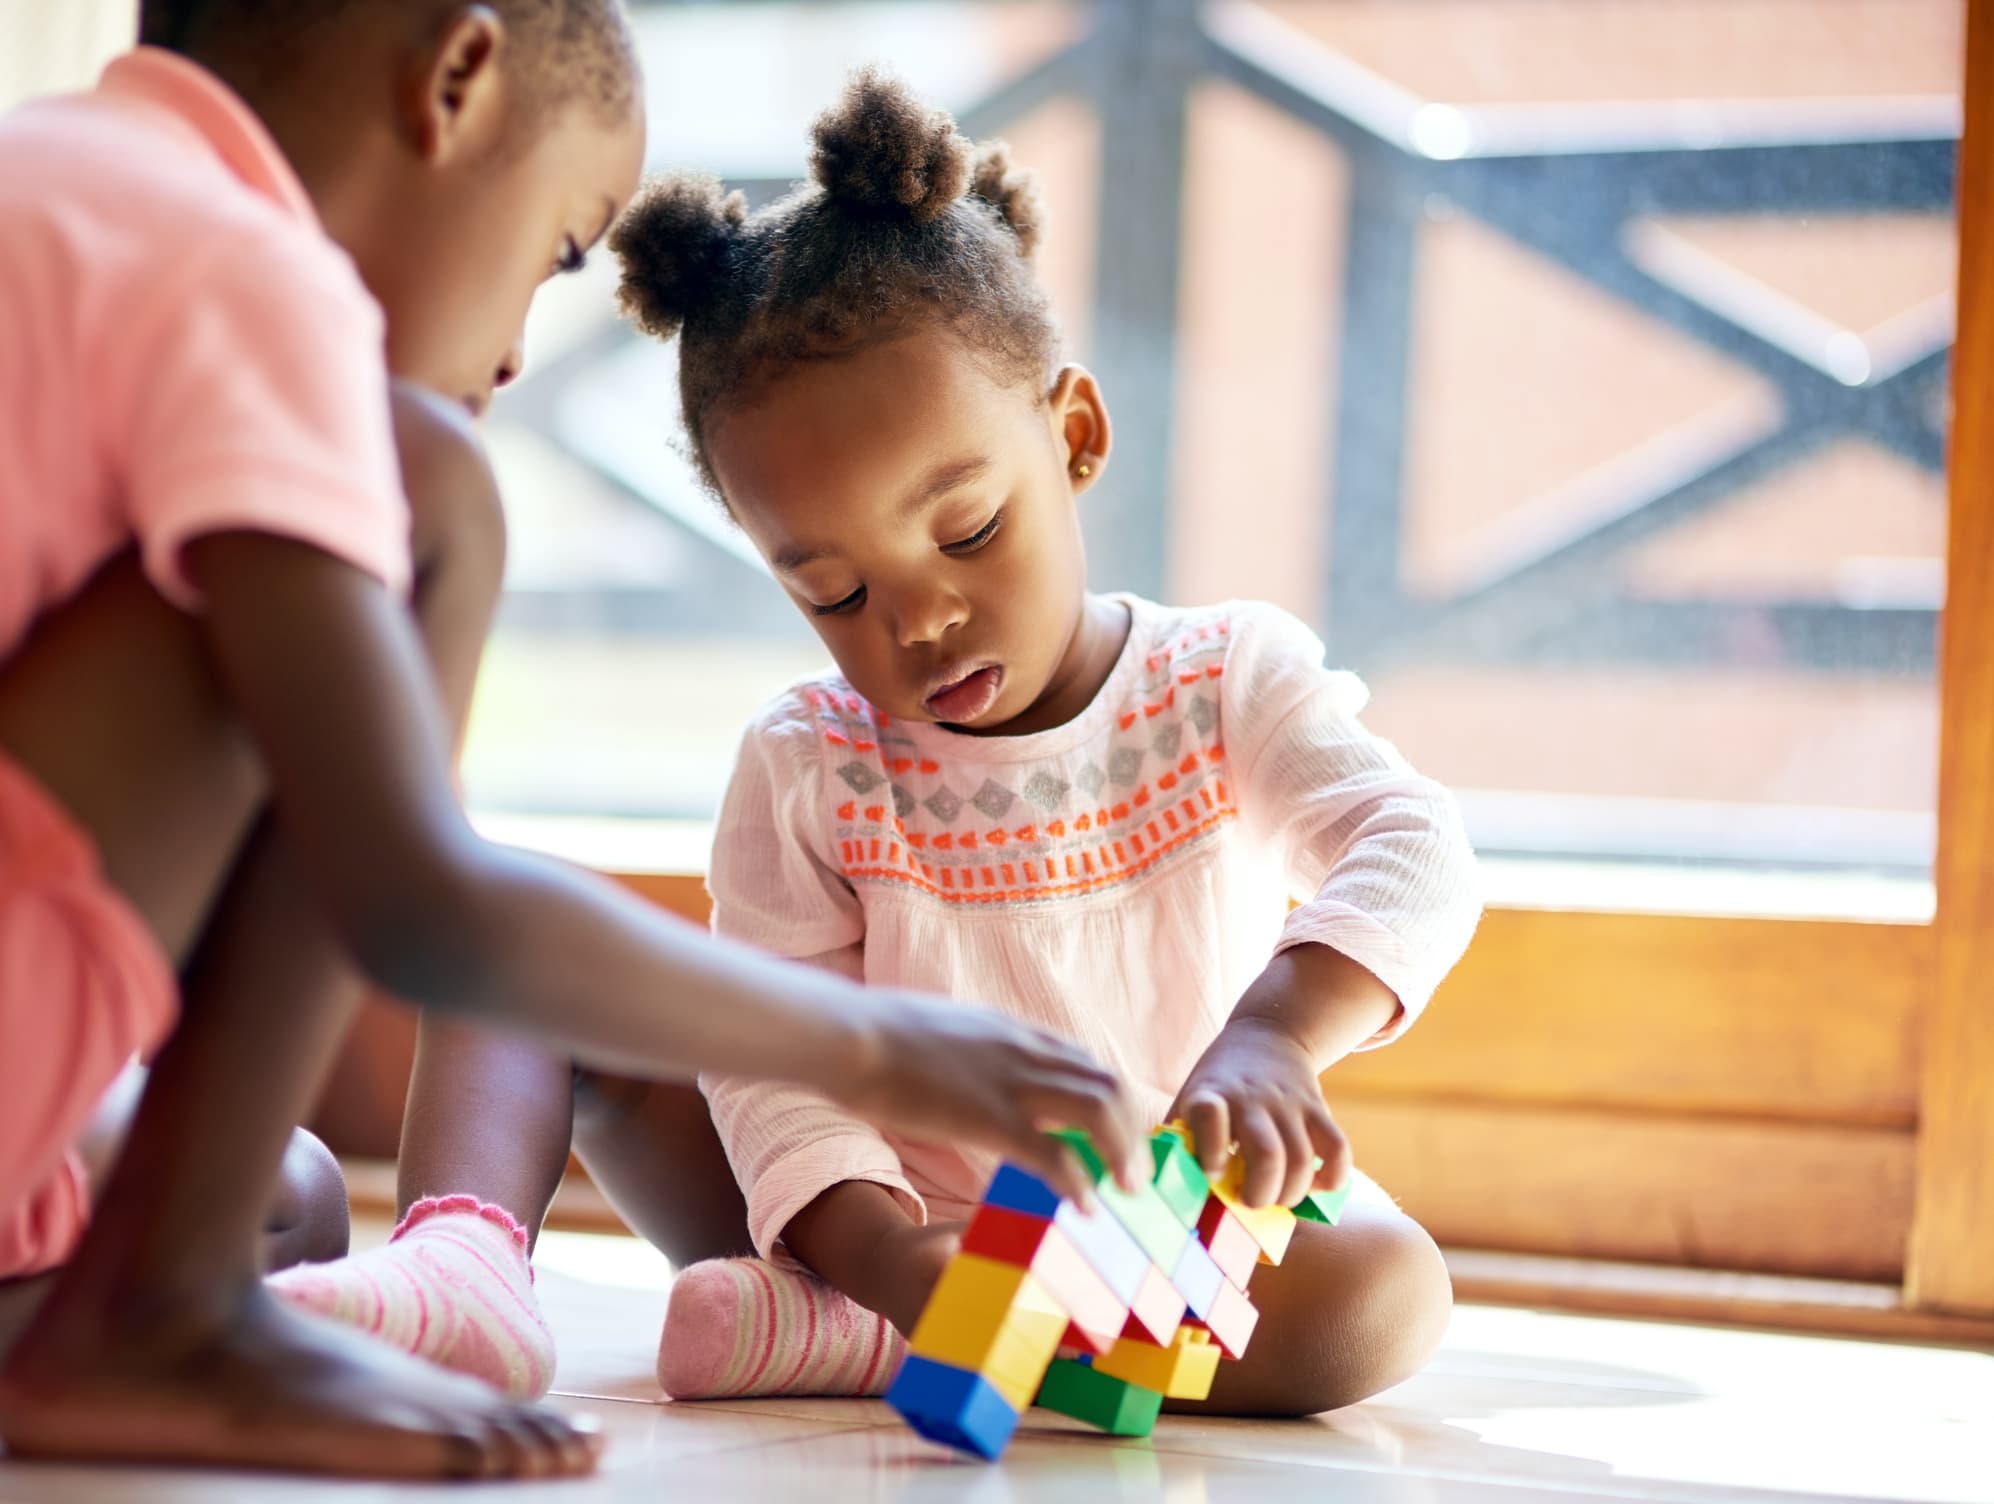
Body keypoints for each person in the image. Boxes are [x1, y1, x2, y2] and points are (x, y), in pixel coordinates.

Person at [0, 8, 1143, 1481]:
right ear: (456, 81)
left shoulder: (58, 181)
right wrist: (887, 1043)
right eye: (556, 249)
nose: (516, 353)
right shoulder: (246, 270)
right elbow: (414, 906)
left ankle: (158, 1290)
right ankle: (163, 1312)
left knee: (275, 1195)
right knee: (427, 491)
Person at [286, 70, 1483, 1420]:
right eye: (833, 593)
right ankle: (466, 1277)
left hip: (1133, 1235)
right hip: (843, 1221)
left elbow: (1414, 846)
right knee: (514, 960)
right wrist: (880, 1248)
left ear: (1072, 435)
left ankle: (866, 1341)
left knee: (1385, 1293)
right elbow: (767, 1055)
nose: (917, 619)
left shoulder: (1223, 681)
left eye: (966, 531)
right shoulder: (809, 763)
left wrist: (1274, 1037)